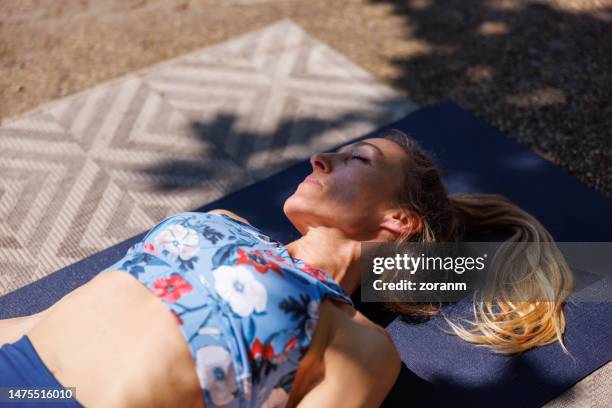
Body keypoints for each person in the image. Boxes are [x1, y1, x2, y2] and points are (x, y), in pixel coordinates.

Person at [0, 129, 572, 407]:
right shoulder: (221, 220)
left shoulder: (357, 343)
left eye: (358, 159)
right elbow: (56, 316)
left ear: (398, 220)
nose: (319, 157)